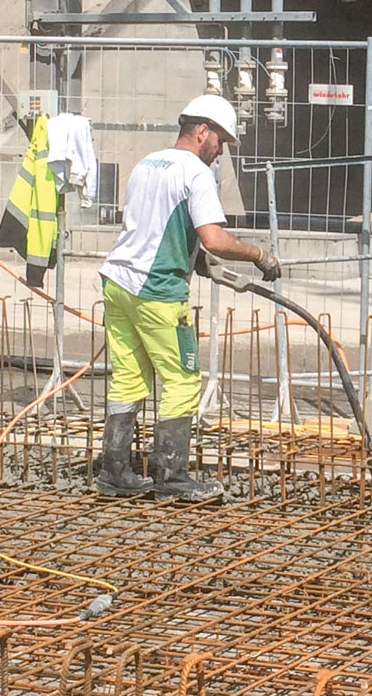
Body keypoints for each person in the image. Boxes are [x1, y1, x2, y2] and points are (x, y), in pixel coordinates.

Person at [95, 94, 282, 499]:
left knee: (129, 378)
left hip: (116, 282)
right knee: (182, 378)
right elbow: (213, 238)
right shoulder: (196, 173)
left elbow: (154, 225)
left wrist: (193, 260)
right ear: (203, 132)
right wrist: (258, 255)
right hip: (157, 291)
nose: (221, 152)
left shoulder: (147, 163)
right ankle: (172, 477)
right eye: (221, 142)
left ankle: (114, 473)